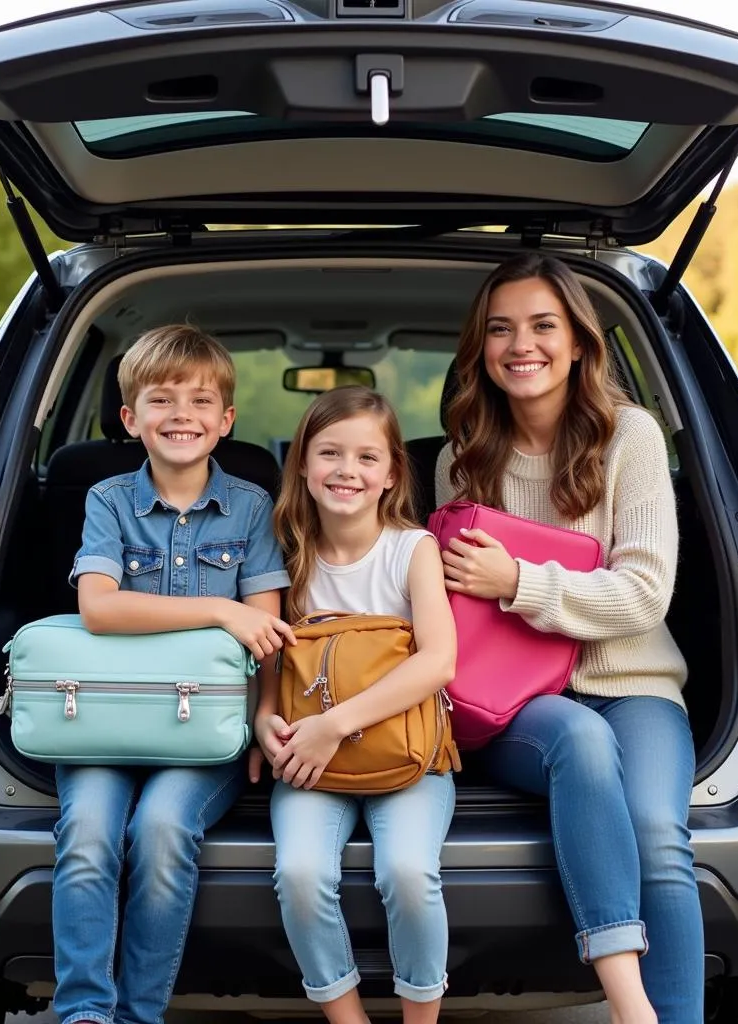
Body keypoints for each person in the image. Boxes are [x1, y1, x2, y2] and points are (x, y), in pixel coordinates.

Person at [434, 254, 702, 1024]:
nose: (523, 344)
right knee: (579, 741)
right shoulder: (463, 458)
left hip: (633, 685)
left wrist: (517, 583)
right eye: (501, 329)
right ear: (481, 349)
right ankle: (630, 1005)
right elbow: (448, 605)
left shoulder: (632, 438)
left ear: (580, 341)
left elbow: (646, 596)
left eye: (544, 325)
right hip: (514, 701)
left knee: (657, 831)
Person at [54, 324, 294, 1024]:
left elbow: (269, 636)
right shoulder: (107, 500)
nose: (180, 415)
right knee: (90, 836)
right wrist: (219, 611)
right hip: (102, 723)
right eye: (161, 400)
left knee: (161, 830)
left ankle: (138, 1016)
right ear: (130, 419)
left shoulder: (253, 508)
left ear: (226, 422)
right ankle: (85, 1015)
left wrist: (261, 720)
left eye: (199, 401)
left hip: (204, 731)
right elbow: (97, 608)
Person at [261, 385, 458, 1024]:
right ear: (302, 466)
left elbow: (438, 662)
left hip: (408, 758)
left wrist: (334, 724)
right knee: (297, 874)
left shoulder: (412, 549)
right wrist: (265, 718)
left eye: (367, 458)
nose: (347, 470)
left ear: (392, 473)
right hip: (313, 766)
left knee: (406, 872)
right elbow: (275, 661)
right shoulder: (286, 554)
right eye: (330, 453)